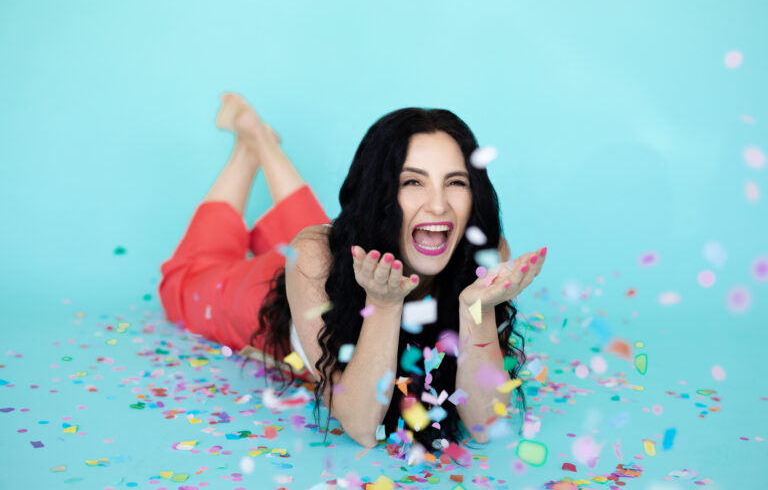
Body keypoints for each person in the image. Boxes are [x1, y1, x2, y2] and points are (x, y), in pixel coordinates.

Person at [159, 93, 546, 453]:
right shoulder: (314, 257)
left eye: (456, 182)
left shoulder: (483, 255)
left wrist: (476, 310)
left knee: (310, 234)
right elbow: (361, 426)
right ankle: (249, 150)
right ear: (378, 193)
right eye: (412, 181)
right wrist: (384, 302)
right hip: (281, 298)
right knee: (184, 280)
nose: (438, 204)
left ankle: (261, 140)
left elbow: (482, 424)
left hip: (339, 252)